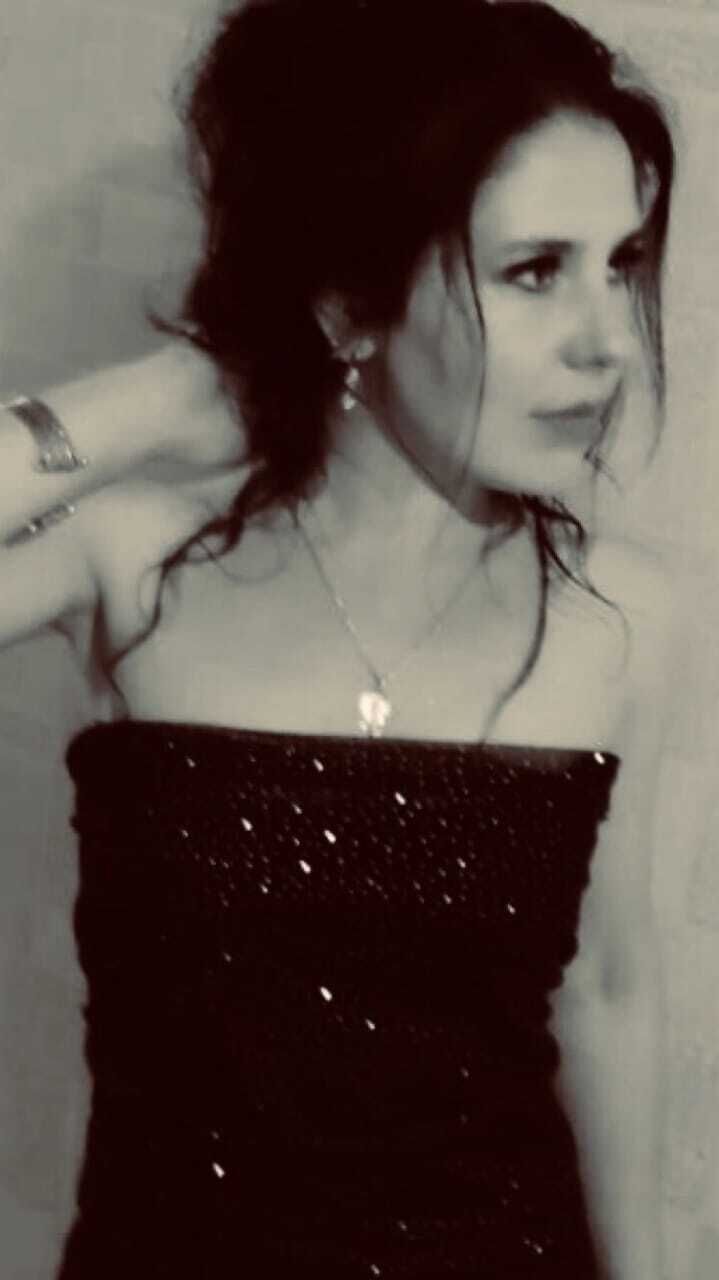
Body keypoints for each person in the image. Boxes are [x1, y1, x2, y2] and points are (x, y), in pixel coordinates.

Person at [0, 0, 679, 1276]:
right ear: (349, 295)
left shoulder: (619, 615)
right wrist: (170, 395)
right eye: (534, 270)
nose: (604, 343)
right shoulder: (138, 559)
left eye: (619, 262)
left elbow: (607, 987)